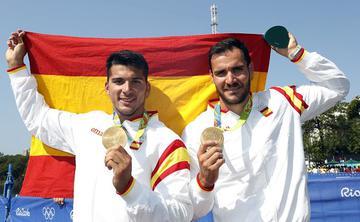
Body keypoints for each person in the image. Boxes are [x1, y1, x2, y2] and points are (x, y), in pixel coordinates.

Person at [6, 30, 193, 222]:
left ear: (147, 89)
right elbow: (38, 119)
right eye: (118, 81)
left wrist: (130, 188)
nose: (127, 90)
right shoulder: (88, 125)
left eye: (135, 82)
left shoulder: (168, 142)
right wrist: (17, 68)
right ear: (107, 88)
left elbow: (181, 214)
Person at [182, 32, 349, 221]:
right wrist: (205, 180)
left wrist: (297, 54)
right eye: (221, 73)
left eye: (237, 69)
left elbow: (338, 88)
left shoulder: (282, 101)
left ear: (251, 69)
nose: (230, 80)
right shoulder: (196, 131)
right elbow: (194, 211)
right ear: (212, 77)